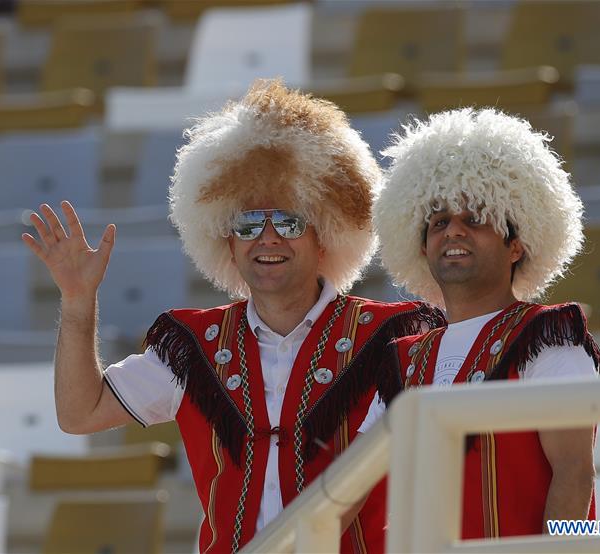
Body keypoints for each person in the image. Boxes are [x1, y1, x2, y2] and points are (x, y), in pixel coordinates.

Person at [22, 80, 445, 553]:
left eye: (288, 222)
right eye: (247, 223)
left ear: (324, 234)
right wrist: (79, 300)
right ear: (225, 240)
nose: (267, 238)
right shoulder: (192, 347)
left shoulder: (393, 338)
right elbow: (80, 413)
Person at [362, 107, 600, 539]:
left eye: (474, 219)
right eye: (438, 223)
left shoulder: (548, 338)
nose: (453, 231)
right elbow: (354, 484)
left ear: (516, 247)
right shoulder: (402, 358)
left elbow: (574, 474)